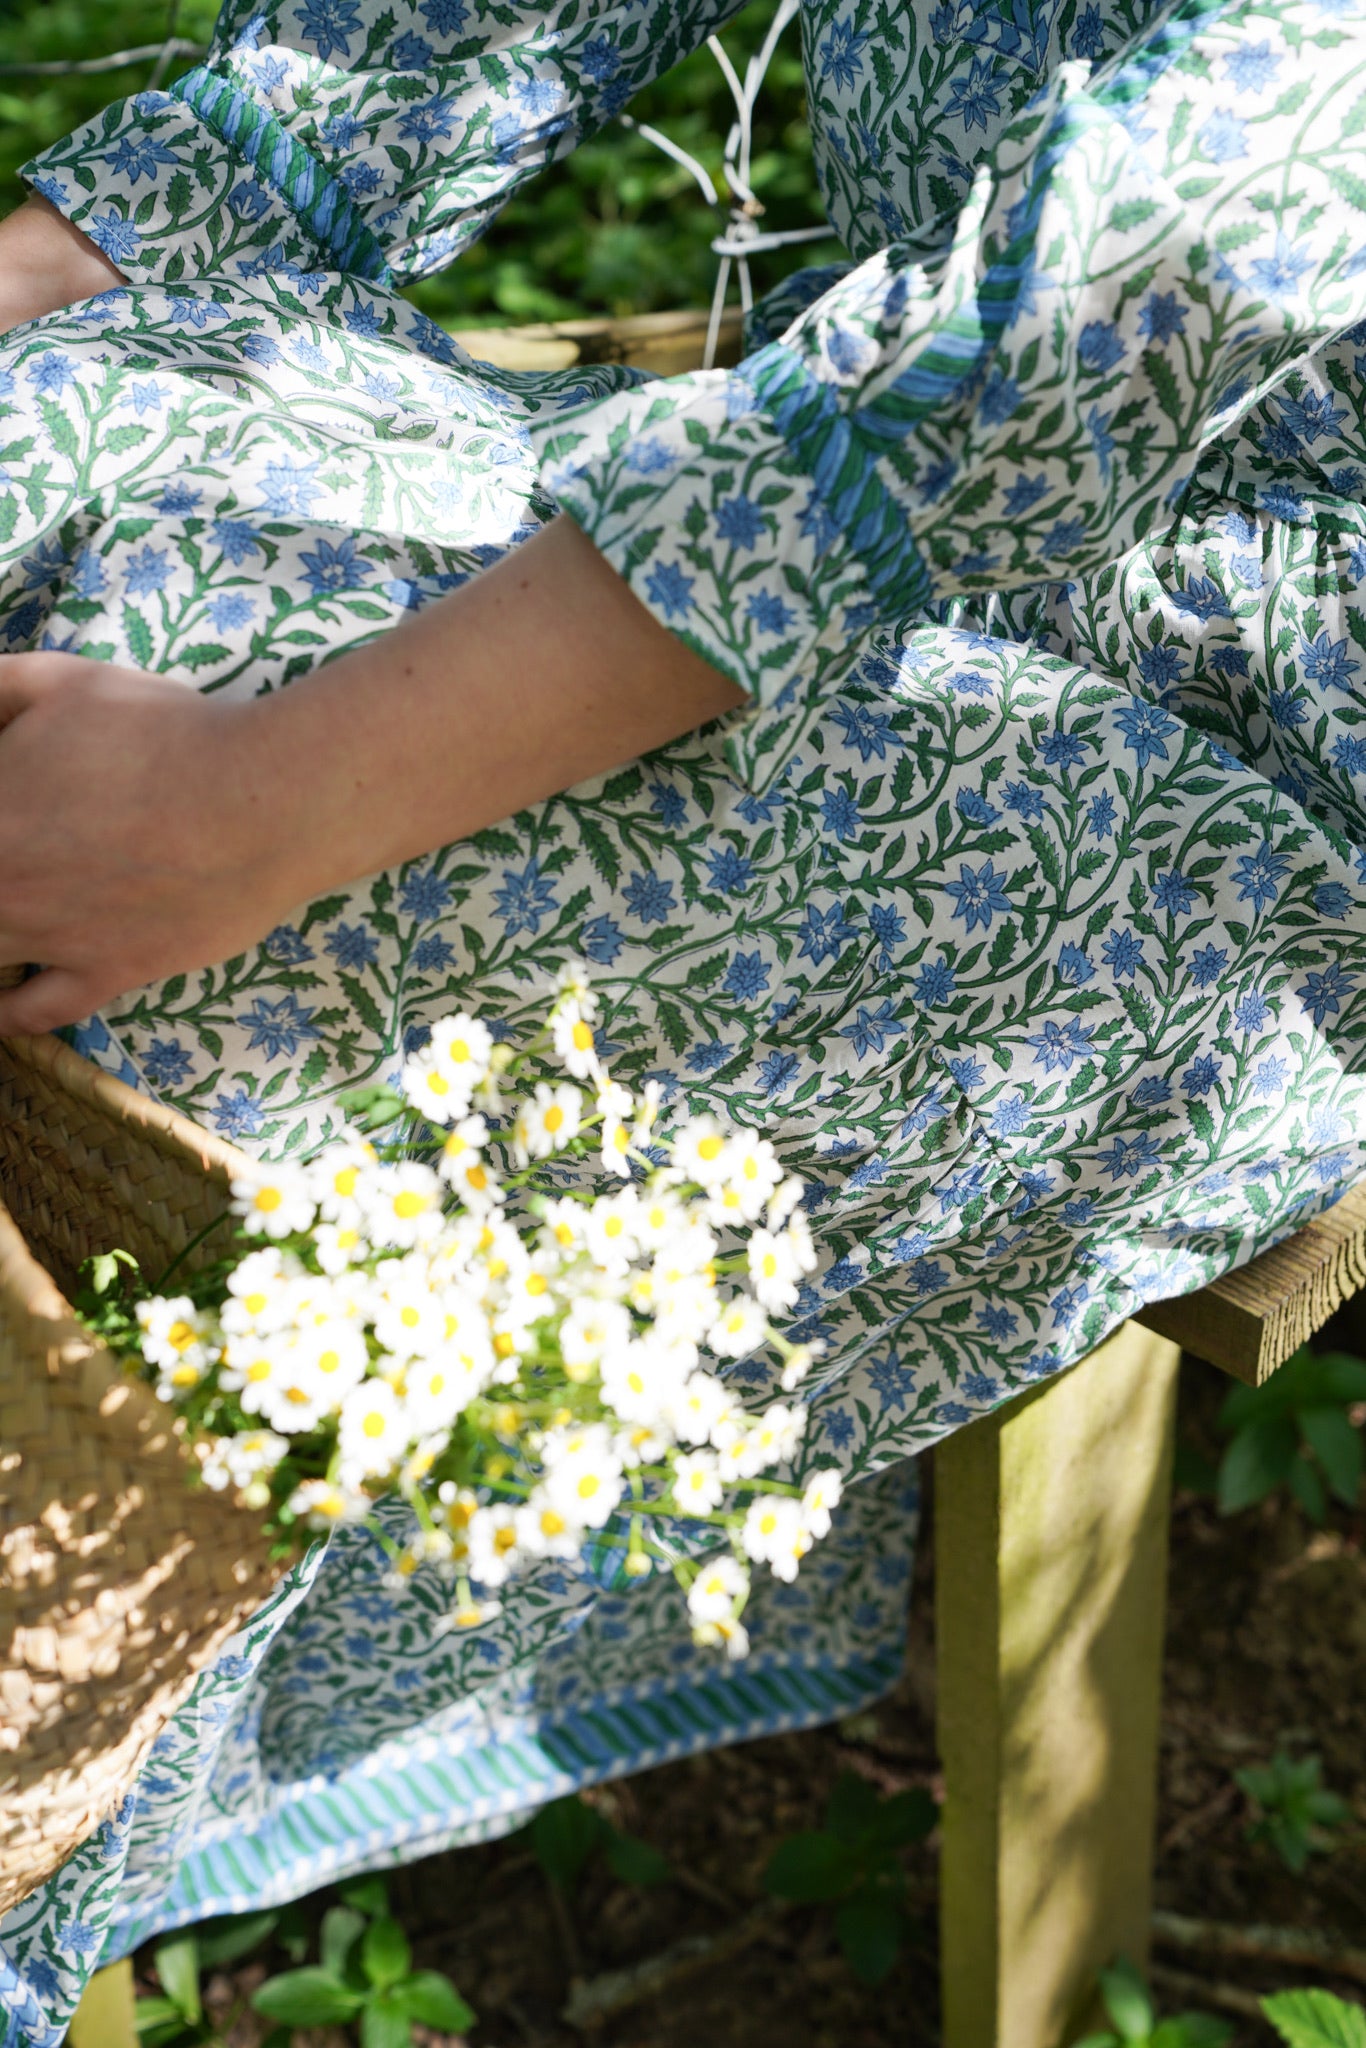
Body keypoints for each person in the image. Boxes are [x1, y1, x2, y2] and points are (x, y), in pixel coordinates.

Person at [4, 0, 1366, 2033]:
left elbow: (1108, 295)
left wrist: (246, 805)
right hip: (798, 531)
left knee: (238, 978)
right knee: (53, 493)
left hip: (1246, 781)